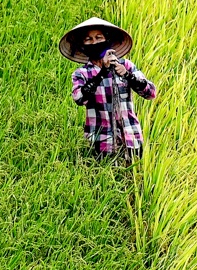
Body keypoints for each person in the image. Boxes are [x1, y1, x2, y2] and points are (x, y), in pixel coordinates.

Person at [59, 16, 157, 161]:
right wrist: (103, 72)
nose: (94, 42)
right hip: (100, 141)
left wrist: (128, 75)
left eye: (99, 37)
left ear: (107, 39)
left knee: (132, 177)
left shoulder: (126, 65)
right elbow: (79, 98)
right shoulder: (81, 74)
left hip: (131, 137)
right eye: (88, 39)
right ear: (83, 45)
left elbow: (150, 93)